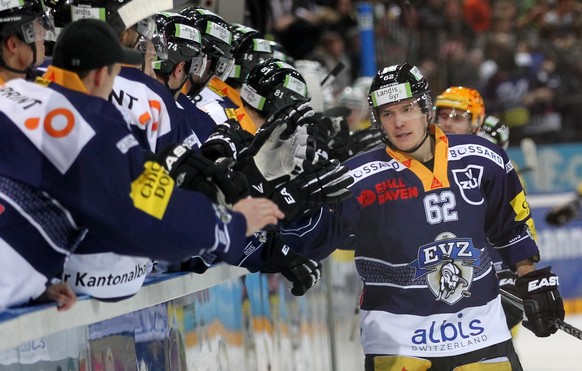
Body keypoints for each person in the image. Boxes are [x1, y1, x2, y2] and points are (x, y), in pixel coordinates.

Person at [279, 63, 565, 370]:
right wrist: (293, 196)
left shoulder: (483, 157)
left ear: (425, 108)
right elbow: (312, 241)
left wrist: (529, 277)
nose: (399, 122)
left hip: (482, 333)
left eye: (406, 109)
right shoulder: (357, 178)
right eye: (387, 114)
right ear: (377, 120)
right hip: (399, 342)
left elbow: (510, 229)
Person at [0, 18, 283, 309]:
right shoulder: (91, 123)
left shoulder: (11, 91)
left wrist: (35, 284)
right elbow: (147, 214)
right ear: (100, 76)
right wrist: (232, 225)